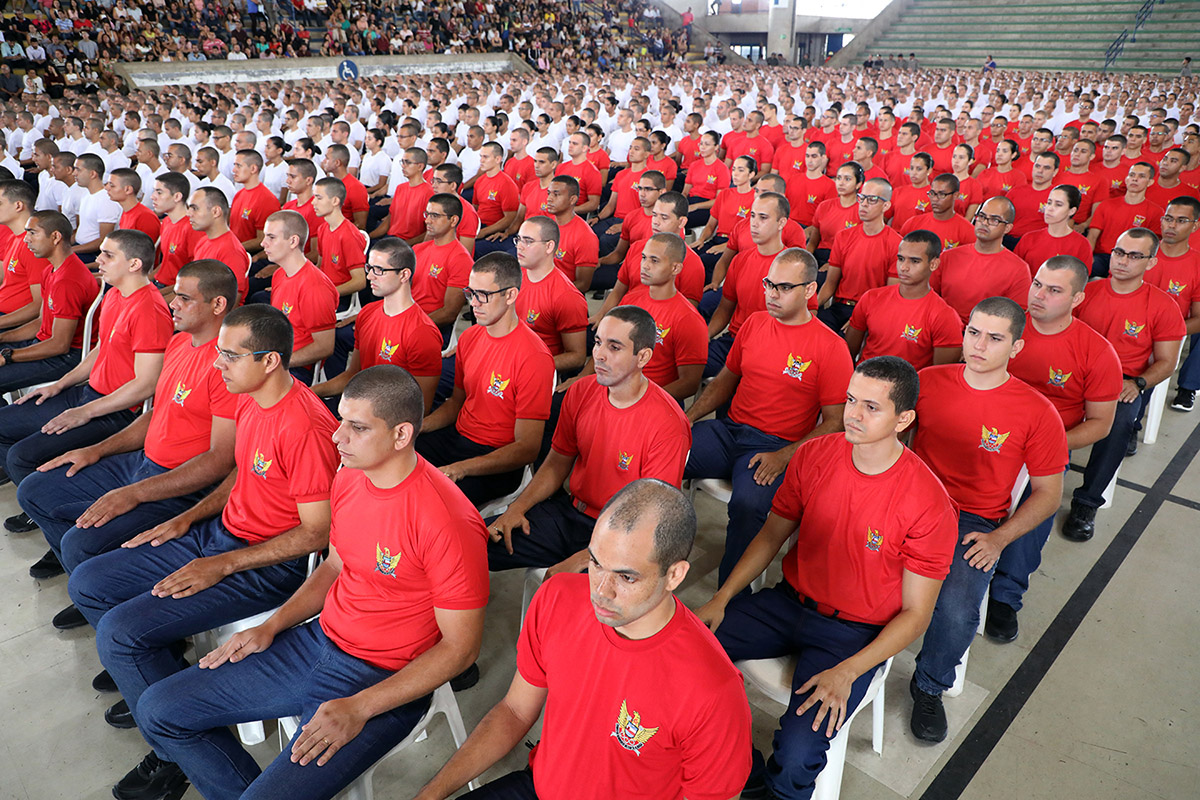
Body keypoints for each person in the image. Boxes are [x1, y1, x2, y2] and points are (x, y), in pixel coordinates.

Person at [135, 365, 488, 800]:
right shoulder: (349, 477)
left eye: (357, 428)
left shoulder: (448, 520)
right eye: (341, 420)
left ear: (401, 435)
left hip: (381, 678)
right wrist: (272, 626)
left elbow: (460, 648)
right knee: (158, 710)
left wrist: (360, 707)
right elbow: (335, 567)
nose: (338, 437)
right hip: (317, 642)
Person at [66, 302, 340, 792]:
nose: (218, 365)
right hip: (218, 536)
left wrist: (223, 562)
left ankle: (176, 749)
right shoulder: (252, 398)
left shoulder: (304, 426)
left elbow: (316, 533)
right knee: (88, 582)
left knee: (120, 634)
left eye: (230, 356)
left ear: (270, 360)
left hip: (267, 563)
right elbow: (240, 472)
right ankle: (165, 692)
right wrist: (189, 517)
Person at [697, 355, 957, 799]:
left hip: (854, 634)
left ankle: (779, 790)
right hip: (787, 603)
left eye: (871, 407)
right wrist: (723, 597)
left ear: (904, 419)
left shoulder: (928, 501)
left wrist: (851, 671)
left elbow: (916, 614)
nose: (853, 415)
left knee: (800, 751)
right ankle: (740, 766)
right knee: (687, 654)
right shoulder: (816, 454)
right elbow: (770, 537)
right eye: (851, 399)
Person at [412, 479, 752, 800]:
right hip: (538, 788)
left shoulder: (714, 690)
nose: (601, 592)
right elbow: (515, 711)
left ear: (674, 574)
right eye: (596, 562)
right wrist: (432, 792)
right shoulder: (557, 598)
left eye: (626, 576)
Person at [19, 261, 238, 621]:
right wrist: (97, 450)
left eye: (185, 298)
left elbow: (219, 460)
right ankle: (93, 588)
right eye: (175, 296)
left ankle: (111, 604)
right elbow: (156, 415)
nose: (173, 304)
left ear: (217, 305)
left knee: (81, 541)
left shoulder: (227, 365)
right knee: (35, 490)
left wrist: (135, 492)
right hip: (141, 462)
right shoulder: (181, 342)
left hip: (179, 482)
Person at [907, 297, 1068, 743]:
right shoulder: (927, 381)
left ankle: (929, 685)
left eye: (995, 338)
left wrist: (999, 540)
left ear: (1016, 347)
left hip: (974, 520)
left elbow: (1048, 494)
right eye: (973, 332)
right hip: (912, 501)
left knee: (959, 607)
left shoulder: (1036, 411)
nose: (979, 345)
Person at [686, 248, 853, 584]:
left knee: (748, 507)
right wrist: (687, 419)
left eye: (784, 287)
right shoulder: (754, 323)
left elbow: (836, 421)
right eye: (769, 284)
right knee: (659, 453)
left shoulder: (831, 347)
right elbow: (724, 383)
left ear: (809, 290)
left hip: (774, 445)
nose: (772, 295)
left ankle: (729, 599)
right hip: (729, 431)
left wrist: (783, 457)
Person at [487, 305, 691, 572]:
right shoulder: (581, 391)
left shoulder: (668, 424)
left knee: (569, 595)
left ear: (643, 356)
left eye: (614, 347)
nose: (599, 355)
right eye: (597, 343)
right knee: (475, 544)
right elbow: (556, 464)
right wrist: (518, 507)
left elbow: (649, 519)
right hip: (571, 514)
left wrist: (587, 558)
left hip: (622, 537)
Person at [0, 229, 170, 532]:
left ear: (133, 264)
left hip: (116, 412)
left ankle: (61, 523)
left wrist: (85, 412)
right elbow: (101, 349)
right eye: (101, 253)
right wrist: (61, 384)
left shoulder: (150, 309)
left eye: (108, 255)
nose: (99, 261)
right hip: (88, 395)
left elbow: (146, 384)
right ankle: (43, 507)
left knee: (21, 456)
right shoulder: (116, 293)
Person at [989, 256, 1122, 642]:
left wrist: (1047, 445)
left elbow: (1101, 424)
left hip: (1043, 445)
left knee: (1039, 499)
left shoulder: (1095, 352)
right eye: (1036, 284)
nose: (1039, 296)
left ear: (1078, 297)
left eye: (1054, 290)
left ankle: (1006, 595)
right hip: (986, 429)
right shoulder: (1003, 329)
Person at [1062, 228, 1186, 540]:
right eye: (1119, 252)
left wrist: (1139, 383)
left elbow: (1167, 362)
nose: (1122, 261)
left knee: (1118, 423)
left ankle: (1086, 502)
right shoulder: (1087, 292)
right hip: (1076, 377)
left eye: (1134, 256)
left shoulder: (1161, 305)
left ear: (1151, 262)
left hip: (1123, 383)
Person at [417, 253, 554, 506]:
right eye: (471, 293)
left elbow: (527, 448)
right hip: (458, 437)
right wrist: (418, 426)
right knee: (389, 453)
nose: (474, 304)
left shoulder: (534, 357)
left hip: (496, 460)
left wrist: (463, 468)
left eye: (483, 295)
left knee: (432, 502)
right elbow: (456, 403)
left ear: (510, 295)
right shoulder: (469, 338)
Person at [0, 210, 97, 395]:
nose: (26, 239)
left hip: (63, 357)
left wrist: (8, 355)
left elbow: (60, 344)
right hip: (44, 344)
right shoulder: (51, 270)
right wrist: (3, 338)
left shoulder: (68, 281)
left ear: (55, 237)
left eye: (32, 233)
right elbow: (40, 323)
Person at [845, 229, 963, 369]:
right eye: (901, 259)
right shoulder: (871, 298)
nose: (904, 267)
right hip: (865, 382)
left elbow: (939, 376)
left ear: (933, 264)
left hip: (909, 389)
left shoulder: (944, 316)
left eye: (914, 261)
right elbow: (849, 355)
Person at [705, 193, 791, 376]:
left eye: (763, 217)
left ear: (781, 223)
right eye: (752, 215)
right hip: (733, 341)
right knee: (688, 363)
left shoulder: (792, 266)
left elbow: (807, 315)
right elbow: (725, 309)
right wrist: (705, 336)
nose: (754, 223)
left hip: (769, 348)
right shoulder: (740, 260)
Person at [261, 210, 339, 379]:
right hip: (276, 354)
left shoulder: (315, 287)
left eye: (271, 237)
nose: (263, 243)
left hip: (296, 367)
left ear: (293, 241)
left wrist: (280, 362)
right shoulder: (279, 275)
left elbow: (324, 346)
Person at [818, 177, 902, 331]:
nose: (863, 204)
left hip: (871, 311)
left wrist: (860, 319)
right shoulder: (843, 236)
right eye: (861, 198)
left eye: (871, 200)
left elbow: (890, 294)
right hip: (840, 307)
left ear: (886, 205)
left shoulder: (896, 243)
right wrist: (810, 308)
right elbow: (830, 284)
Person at [931, 197, 1031, 322]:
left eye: (994, 220)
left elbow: (1014, 317)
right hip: (943, 326)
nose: (984, 222)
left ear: (1007, 228)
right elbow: (929, 297)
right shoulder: (948, 256)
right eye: (982, 216)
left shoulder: (1019, 269)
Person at [512, 216, 588, 373]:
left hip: (535, 371)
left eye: (528, 241)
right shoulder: (515, 276)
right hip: (511, 353)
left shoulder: (566, 296)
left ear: (549, 246)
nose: (519, 246)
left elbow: (577, 356)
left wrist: (530, 365)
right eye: (518, 239)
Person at [1147, 197, 1200, 411]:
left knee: (1152, 365)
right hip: (1125, 331)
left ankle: (1187, 387)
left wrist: (1165, 333)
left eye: (1181, 220)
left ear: (1195, 225)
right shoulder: (1140, 253)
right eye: (1168, 218)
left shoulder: (1197, 264)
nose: (1172, 225)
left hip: (1165, 336)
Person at [1087, 162, 1164, 278]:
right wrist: (1088, 258)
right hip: (1103, 257)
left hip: (1132, 260)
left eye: (1141, 176)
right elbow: (1092, 236)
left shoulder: (1156, 211)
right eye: (1132, 175)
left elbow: (1153, 245)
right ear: (1127, 179)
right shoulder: (1106, 205)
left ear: (1150, 182)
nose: (1135, 179)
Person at [412, 192, 472, 339]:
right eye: (427, 214)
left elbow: (449, 313)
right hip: (409, 317)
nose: (427, 221)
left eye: (435, 216)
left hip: (431, 328)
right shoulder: (418, 249)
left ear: (453, 220)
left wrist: (412, 325)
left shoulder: (461, 259)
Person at [0, 180, 49, 334]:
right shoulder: (13, 237)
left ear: (18, 206)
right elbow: (5, 278)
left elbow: (38, 306)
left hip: (14, 323)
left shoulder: (33, 245)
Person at [1013, 185, 1094, 277]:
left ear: (1072, 211)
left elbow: (1080, 280)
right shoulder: (1028, 238)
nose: (1050, 208)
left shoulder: (1082, 245)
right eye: (1049, 202)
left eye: (1058, 204)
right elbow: (1015, 272)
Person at [190, 187, 253, 302]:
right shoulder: (203, 241)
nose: (189, 214)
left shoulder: (231, 250)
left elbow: (231, 302)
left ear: (216, 212)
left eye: (195, 208)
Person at [312, 177, 368, 300]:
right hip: (323, 288)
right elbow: (320, 266)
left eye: (319, 198)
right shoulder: (323, 228)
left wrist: (328, 293)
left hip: (339, 296)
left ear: (335, 201)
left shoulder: (349, 235)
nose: (313, 202)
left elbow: (360, 280)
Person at [545, 175, 599, 293]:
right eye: (549, 193)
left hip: (562, 296)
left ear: (572, 199)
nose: (549, 198)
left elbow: (583, 284)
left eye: (556, 194)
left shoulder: (585, 236)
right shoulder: (546, 224)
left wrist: (550, 294)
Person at [151, 172, 203, 295]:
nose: (152, 196)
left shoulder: (192, 228)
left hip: (176, 291)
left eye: (159, 192)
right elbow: (166, 264)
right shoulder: (167, 221)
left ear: (177, 197)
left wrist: (158, 296)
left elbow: (195, 278)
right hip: (159, 284)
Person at [900, 173, 977, 252]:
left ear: (955, 195)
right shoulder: (912, 223)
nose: (935, 199)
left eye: (941, 194)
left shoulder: (968, 231)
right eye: (932, 193)